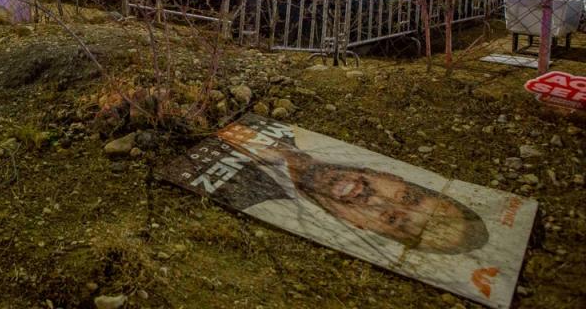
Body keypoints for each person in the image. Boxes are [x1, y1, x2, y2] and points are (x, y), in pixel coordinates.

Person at [178, 118, 489, 255]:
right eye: (407, 197)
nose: (376, 200)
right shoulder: (301, 141)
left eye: (393, 219)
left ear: (360, 226)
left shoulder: (253, 198)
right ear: (394, 177)